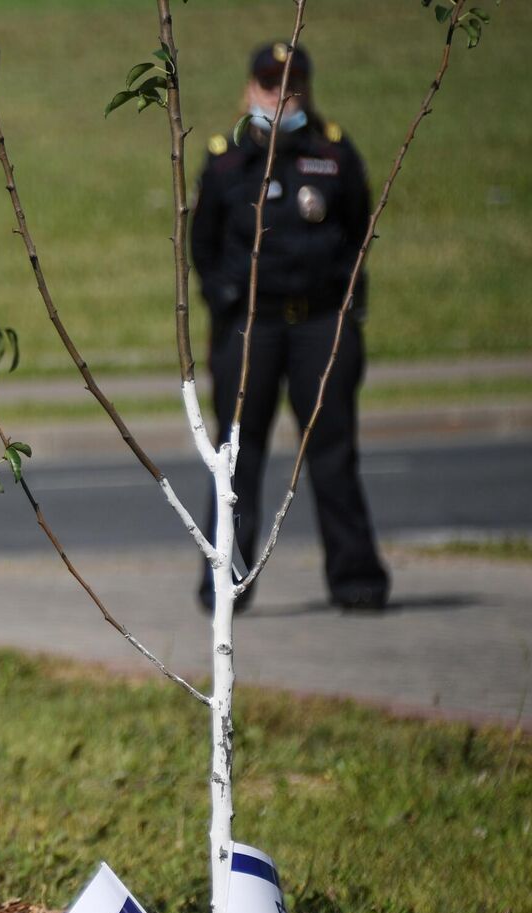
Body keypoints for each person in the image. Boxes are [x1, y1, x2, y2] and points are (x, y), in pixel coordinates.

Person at [190, 41, 390, 613]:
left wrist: (347, 302)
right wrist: (225, 301)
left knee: (332, 452)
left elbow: (357, 225)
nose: (280, 96)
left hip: (320, 325)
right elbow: (202, 243)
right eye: (269, 85)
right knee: (237, 455)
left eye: (292, 84)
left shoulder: (332, 154)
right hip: (251, 330)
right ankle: (224, 584)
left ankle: (357, 580)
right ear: (250, 90)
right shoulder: (227, 161)